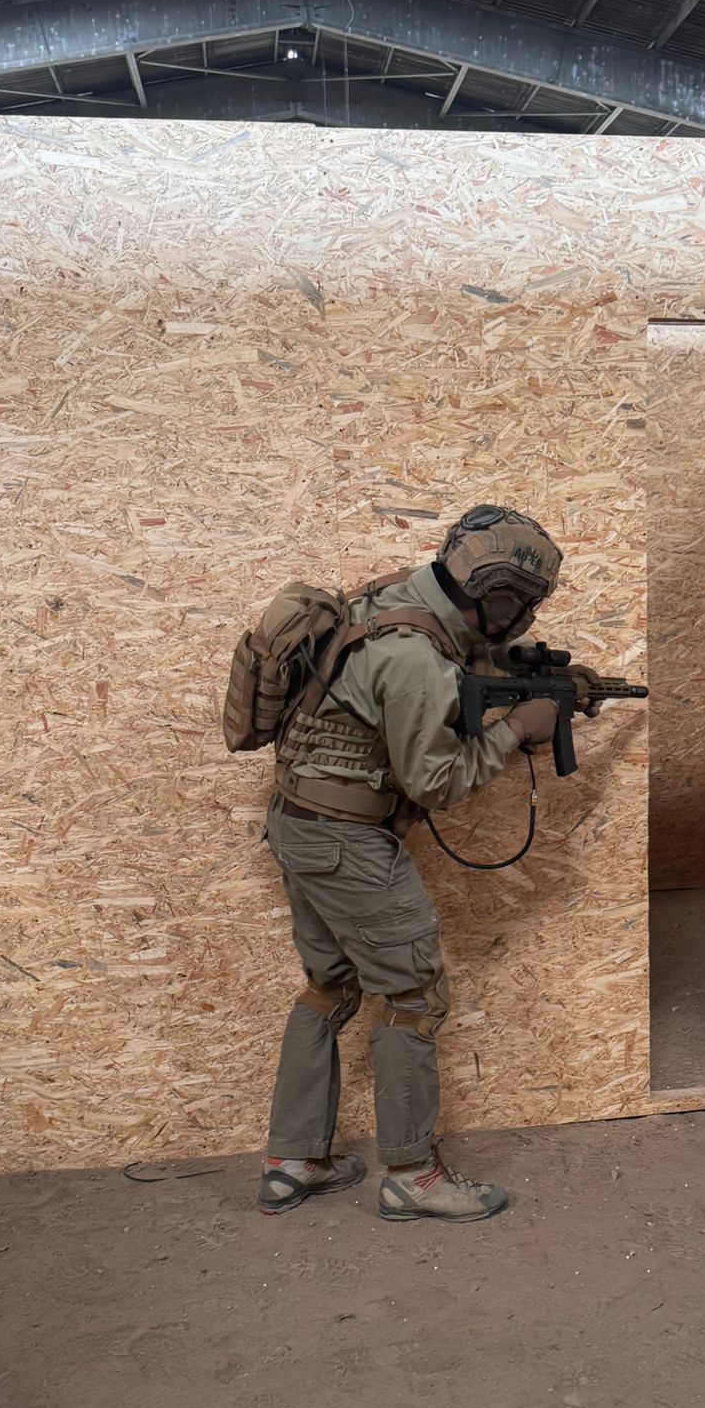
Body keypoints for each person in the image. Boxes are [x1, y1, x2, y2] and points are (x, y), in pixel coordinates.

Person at [254, 506, 564, 1225]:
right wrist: (518, 728)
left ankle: (292, 1162)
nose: (519, 620)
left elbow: (436, 676)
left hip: (300, 825)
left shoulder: (389, 600)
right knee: (414, 998)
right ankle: (412, 1176)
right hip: (347, 844)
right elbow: (435, 783)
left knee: (330, 986)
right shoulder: (416, 658)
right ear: (499, 598)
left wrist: (518, 680)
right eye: (519, 606)